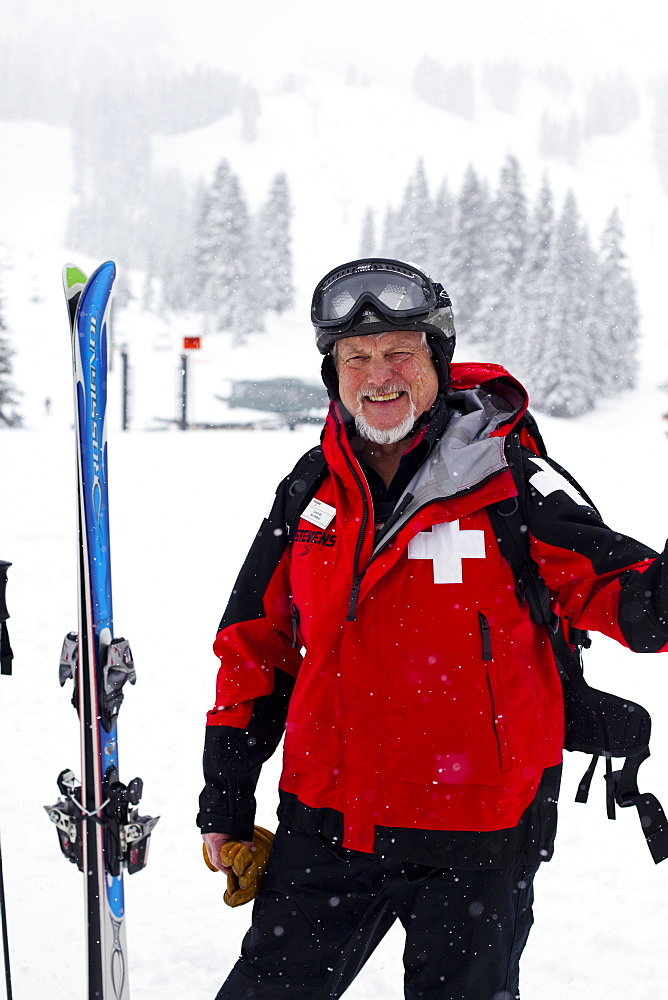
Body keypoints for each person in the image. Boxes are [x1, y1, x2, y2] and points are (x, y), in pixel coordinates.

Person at [199, 258, 668, 1000]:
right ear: (333, 374)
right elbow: (256, 649)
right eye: (355, 357)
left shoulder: (511, 483)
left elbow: (629, 598)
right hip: (327, 824)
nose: (377, 374)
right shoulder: (311, 490)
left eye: (399, 352)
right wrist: (225, 801)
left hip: (478, 838)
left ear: (436, 360)